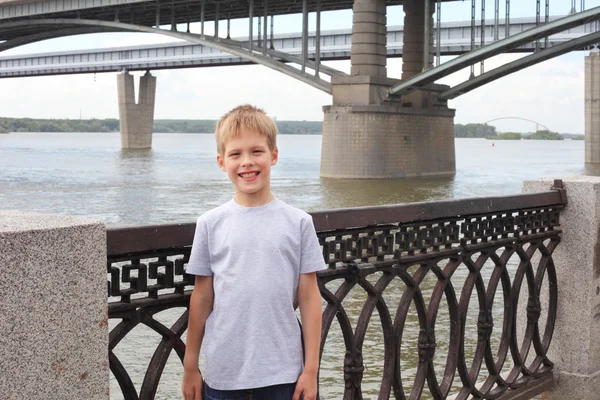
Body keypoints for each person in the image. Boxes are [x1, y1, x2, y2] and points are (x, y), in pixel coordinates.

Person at [181, 104, 326, 400]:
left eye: (256, 151)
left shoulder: (299, 222)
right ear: (222, 162)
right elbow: (202, 296)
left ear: (273, 155)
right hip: (223, 375)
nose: (247, 162)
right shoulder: (209, 224)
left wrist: (311, 370)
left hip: (283, 374)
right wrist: (190, 364)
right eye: (236, 154)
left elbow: (310, 297)